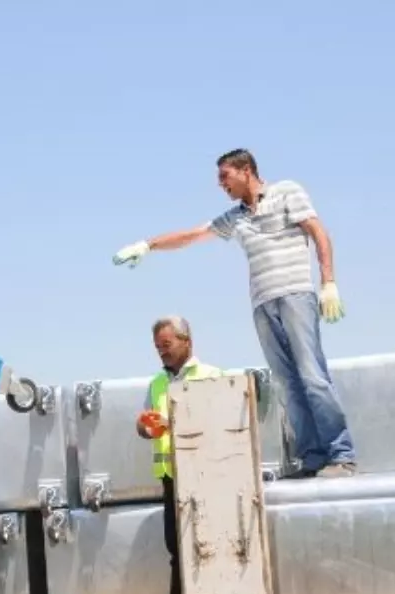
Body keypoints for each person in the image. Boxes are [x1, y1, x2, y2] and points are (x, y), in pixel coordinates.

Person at [113, 149, 356, 479]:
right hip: (262, 304)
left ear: (246, 171)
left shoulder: (287, 191)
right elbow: (194, 235)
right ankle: (312, 457)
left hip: (295, 294)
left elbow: (318, 232)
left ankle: (341, 454)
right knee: (287, 382)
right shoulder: (236, 217)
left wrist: (328, 281)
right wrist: (147, 245)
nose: (221, 185)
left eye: (225, 177)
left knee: (312, 375)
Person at [137, 316, 221, 594]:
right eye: (158, 347)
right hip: (172, 478)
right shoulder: (157, 384)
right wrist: (145, 426)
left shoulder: (212, 376)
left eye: (167, 345)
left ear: (187, 341)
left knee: (210, 542)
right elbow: (144, 426)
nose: (162, 353)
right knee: (177, 546)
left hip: (208, 475)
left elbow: (221, 418)